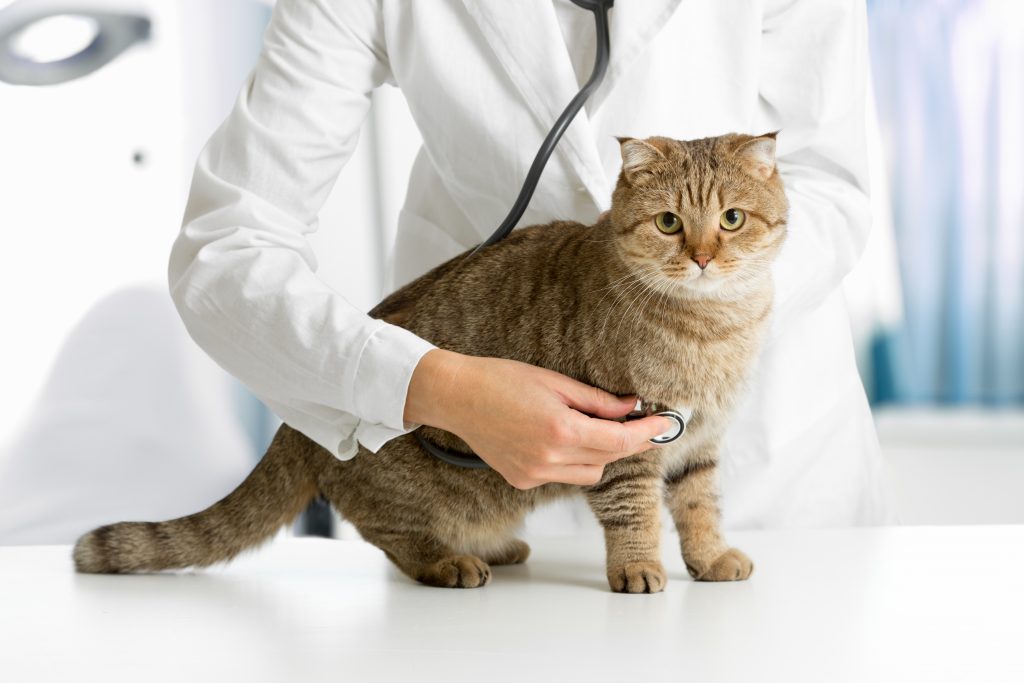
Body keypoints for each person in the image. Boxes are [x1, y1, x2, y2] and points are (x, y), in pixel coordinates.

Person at [169, 0, 891, 527]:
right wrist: (433, 386)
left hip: (771, 473)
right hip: (480, 482)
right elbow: (226, 249)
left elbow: (829, 181)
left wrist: (689, 315)